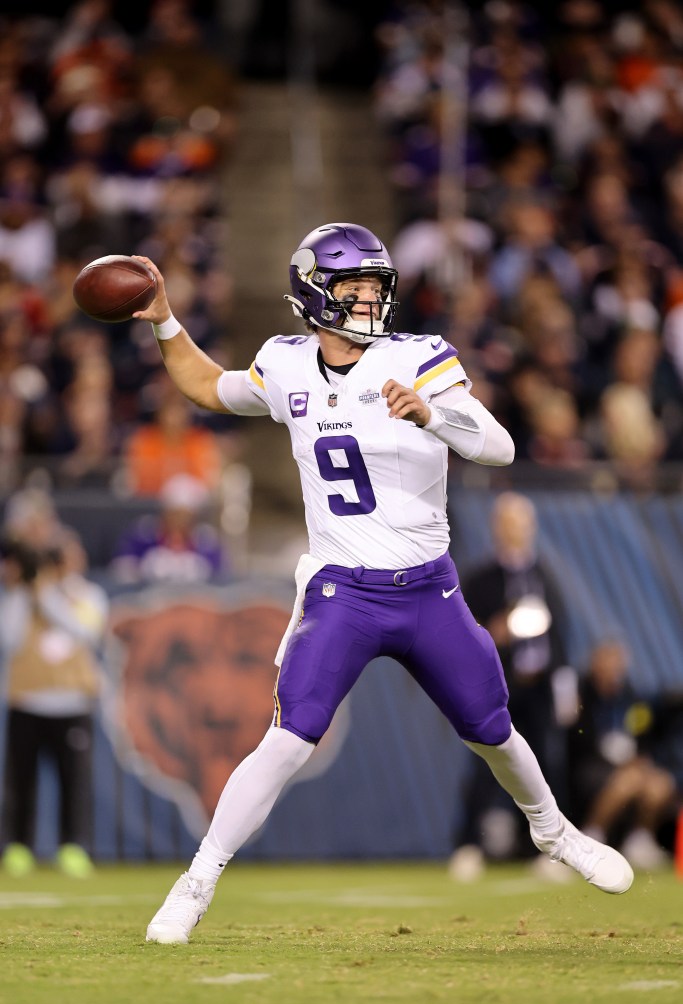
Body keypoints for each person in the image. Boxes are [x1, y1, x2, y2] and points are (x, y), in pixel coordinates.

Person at [130, 222, 632, 945]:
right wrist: (166, 323)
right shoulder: (287, 363)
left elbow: (499, 445)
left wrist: (435, 414)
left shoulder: (420, 359)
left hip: (427, 588)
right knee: (288, 736)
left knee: (491, 729)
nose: (368, 301)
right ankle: (197, 881)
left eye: (375, 288)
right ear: (314, 294)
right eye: (353, 288)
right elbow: (210, 386)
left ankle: (554, 833)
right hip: (344, 589)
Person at [449, 491, 576, 879]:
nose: (516, 531)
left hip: (538, 686)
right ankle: (469, 845)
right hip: (498, 686)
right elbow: (460, 633)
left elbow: (559, 635)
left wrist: (563, 684)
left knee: (546, 765)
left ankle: (546, 849)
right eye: (508, 523)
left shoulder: (544, 576)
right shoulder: (482, 578)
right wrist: (495, 632)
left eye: (522, 522)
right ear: (496, 528)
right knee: (487, 764)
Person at [0, 527, 108, 878]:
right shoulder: (19, 596)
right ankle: (18, 847)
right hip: (27, 700)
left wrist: (46, 593)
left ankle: (73, 846)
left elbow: (84, 631)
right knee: (21, 780)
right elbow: (10, 640)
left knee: (73, 781)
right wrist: (24, 589)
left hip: (72, 703)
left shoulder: (89, 596)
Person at [567, 638, 677, 871]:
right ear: (596, 663)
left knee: (660, 784)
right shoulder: (581, 694)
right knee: (628, 782)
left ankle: (640, 839)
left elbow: (641, 734)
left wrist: (640, 759)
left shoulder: (630, 697)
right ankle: (590, 837)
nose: (615, 669)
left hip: (629, 766)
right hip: (591, 765)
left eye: (619, 663)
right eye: (609, 661)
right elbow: (577, 737)